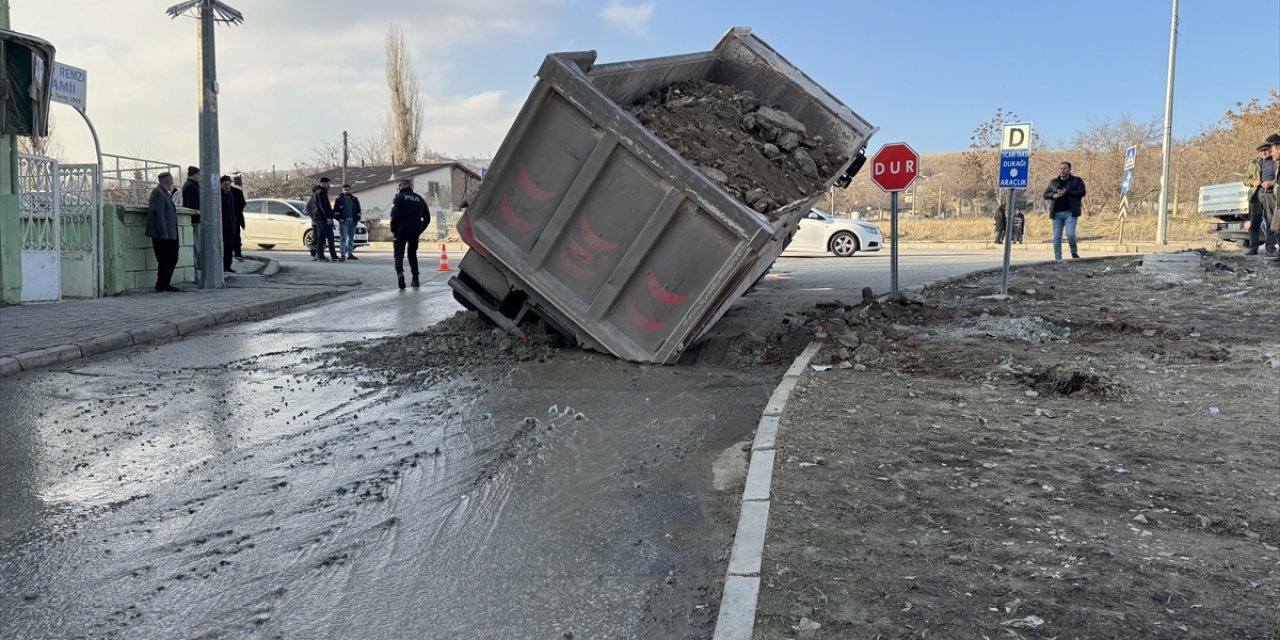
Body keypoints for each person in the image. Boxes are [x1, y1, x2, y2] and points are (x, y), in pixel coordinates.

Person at [389, 178, 430, 289]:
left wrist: (394, 229)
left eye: (400, 185)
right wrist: (420, 230)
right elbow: (427, 218)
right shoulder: (419, 199)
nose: (399, 188)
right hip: (414, 231)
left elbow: (394, 215)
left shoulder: (399, 198)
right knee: (412, 255)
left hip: (400, 231)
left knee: (399, 254)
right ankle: (415, 279)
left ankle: (400, 274)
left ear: (404, 185)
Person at [1042, 161, 1086, 262]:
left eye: (1065, 168)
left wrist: (1067, 192)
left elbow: (1082, 192)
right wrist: (1053, 195)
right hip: (1056, 213)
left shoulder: (1077, 180)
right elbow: (1045, 194)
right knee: (1057, 237)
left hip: (1070, 212)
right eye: (1061, 168)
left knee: (1070, 234)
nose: (1062, 170)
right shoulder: (1053, 182)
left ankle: (1074, 252)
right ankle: (1058, 258)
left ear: (1069, 169)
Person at [145, 172, 181, 292]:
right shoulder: (158, 193)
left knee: (172, 258)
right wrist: (164, 232)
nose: (172, 183)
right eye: (171, 180)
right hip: (163, 234)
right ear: (166, 181)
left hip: (170, 232)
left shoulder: (164, 193)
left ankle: (165, 283)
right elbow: (158, 214)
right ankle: (162, 284)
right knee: (166, 259)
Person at [1243, 138, 1277, 256]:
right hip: (1255, 195)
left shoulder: (1276, 161)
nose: (1263, 153)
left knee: (1270, 223)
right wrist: (1253, 182)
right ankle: (1253, 248)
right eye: (1261, 151)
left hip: (1270, 194)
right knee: (1253, 223)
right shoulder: (1253, 163)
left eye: (1265, 150)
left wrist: (1270, 183)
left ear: (1269, 150)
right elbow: (1245, 179)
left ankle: (1270, 248)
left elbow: (1278, 179)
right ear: (1258, 153)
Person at [308, 176, 339, 261]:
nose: (329, 185)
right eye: (328, 183)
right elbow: (323, 206)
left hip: (319, 218)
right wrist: (328, 217)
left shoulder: (317, 192)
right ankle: (334, 256)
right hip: (323, 218)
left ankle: (320, 256)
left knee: (321, 237)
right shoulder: (321, 192)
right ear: (323, 183)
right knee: (330, 236)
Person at [219, 175, 246, 273]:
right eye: (225, 184)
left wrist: (234, 221)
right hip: (222, 226)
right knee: (223, 247)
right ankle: (222, 266)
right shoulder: (219, 196)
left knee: (229, 247)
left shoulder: (231, 195)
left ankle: (228, 265)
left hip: (231, 224)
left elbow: (234, 210)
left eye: (228, 184)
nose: (227, 186)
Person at [333, 184, 362, 261]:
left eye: (347, 189)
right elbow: (335, 211)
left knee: (351, 238)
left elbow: (358, 210)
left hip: (353, 221)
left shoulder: (354, 199)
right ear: (342, 190)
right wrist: (340, 219)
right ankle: (343, 254)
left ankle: (350, 253)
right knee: (343, 238)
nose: (346, 191)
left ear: (350, 190)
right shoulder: (339, 199)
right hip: (344, 222)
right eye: (344, 190)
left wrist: (357, 219)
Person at [181, 166, 201, 273]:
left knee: (197, 243)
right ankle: (198, 265)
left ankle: (198, 264)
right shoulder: (191, 187)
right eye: (198, 175)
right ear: (192, 175)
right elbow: (193, 205)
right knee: (197, 244)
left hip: (195, 220)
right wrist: (195, 218)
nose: (200, 177)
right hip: (195, 220)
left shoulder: (192, 185)